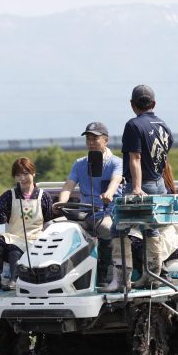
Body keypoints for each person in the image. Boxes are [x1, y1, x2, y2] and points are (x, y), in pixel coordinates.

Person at [109, 84, 175, 290]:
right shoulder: (164, 126)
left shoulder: (133, 126)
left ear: (132, 104)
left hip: (141, 186)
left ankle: (122, 281)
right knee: (151, 230)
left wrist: (136, 187)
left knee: (118, 230)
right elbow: (163, 157)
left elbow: (135, 158)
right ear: (154, 104)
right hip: (159, 185)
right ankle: (153, 276)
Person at [57, 121, 123, 286]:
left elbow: (116, 180)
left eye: (95, 138)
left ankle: (104, 273)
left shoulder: (116, 162)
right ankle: (58, 274)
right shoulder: (80, 163)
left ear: (105, 140)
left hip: (106, 211)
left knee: (107, 228)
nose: (91, 143)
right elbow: (68, 186)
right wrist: (60, 204)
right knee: (53, 226)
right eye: (88, 139)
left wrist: (108, 193)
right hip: (84, 213)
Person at [0, 157, 55, 291]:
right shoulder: (9, 195)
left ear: (33, 173)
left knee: (13, 248)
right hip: (14, 236)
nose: (22, 178)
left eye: (25, 174)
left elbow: (49, 220)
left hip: (35, 240)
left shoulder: (44, 196)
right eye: (18, 175)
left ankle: (15, 279)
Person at [126, 161, 178, 286]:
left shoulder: (162, 190)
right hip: (152, 232)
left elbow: (157, 222)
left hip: (171, 236)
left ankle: (162, 274)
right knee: (128, 240)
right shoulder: (147, 188)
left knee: (136, 243)